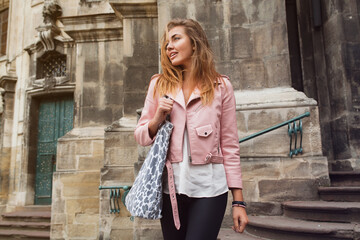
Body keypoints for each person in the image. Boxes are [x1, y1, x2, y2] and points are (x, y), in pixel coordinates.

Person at [134, 18, 248, 240]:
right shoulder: (159, 85)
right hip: (171, 192)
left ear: (194, 43)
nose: (169, 46)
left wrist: (238, 201)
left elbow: (230, 145)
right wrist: (157, 117)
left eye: (176, 39)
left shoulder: (221, 86)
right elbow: (141, 136)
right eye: (167, 43)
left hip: (210, 190)